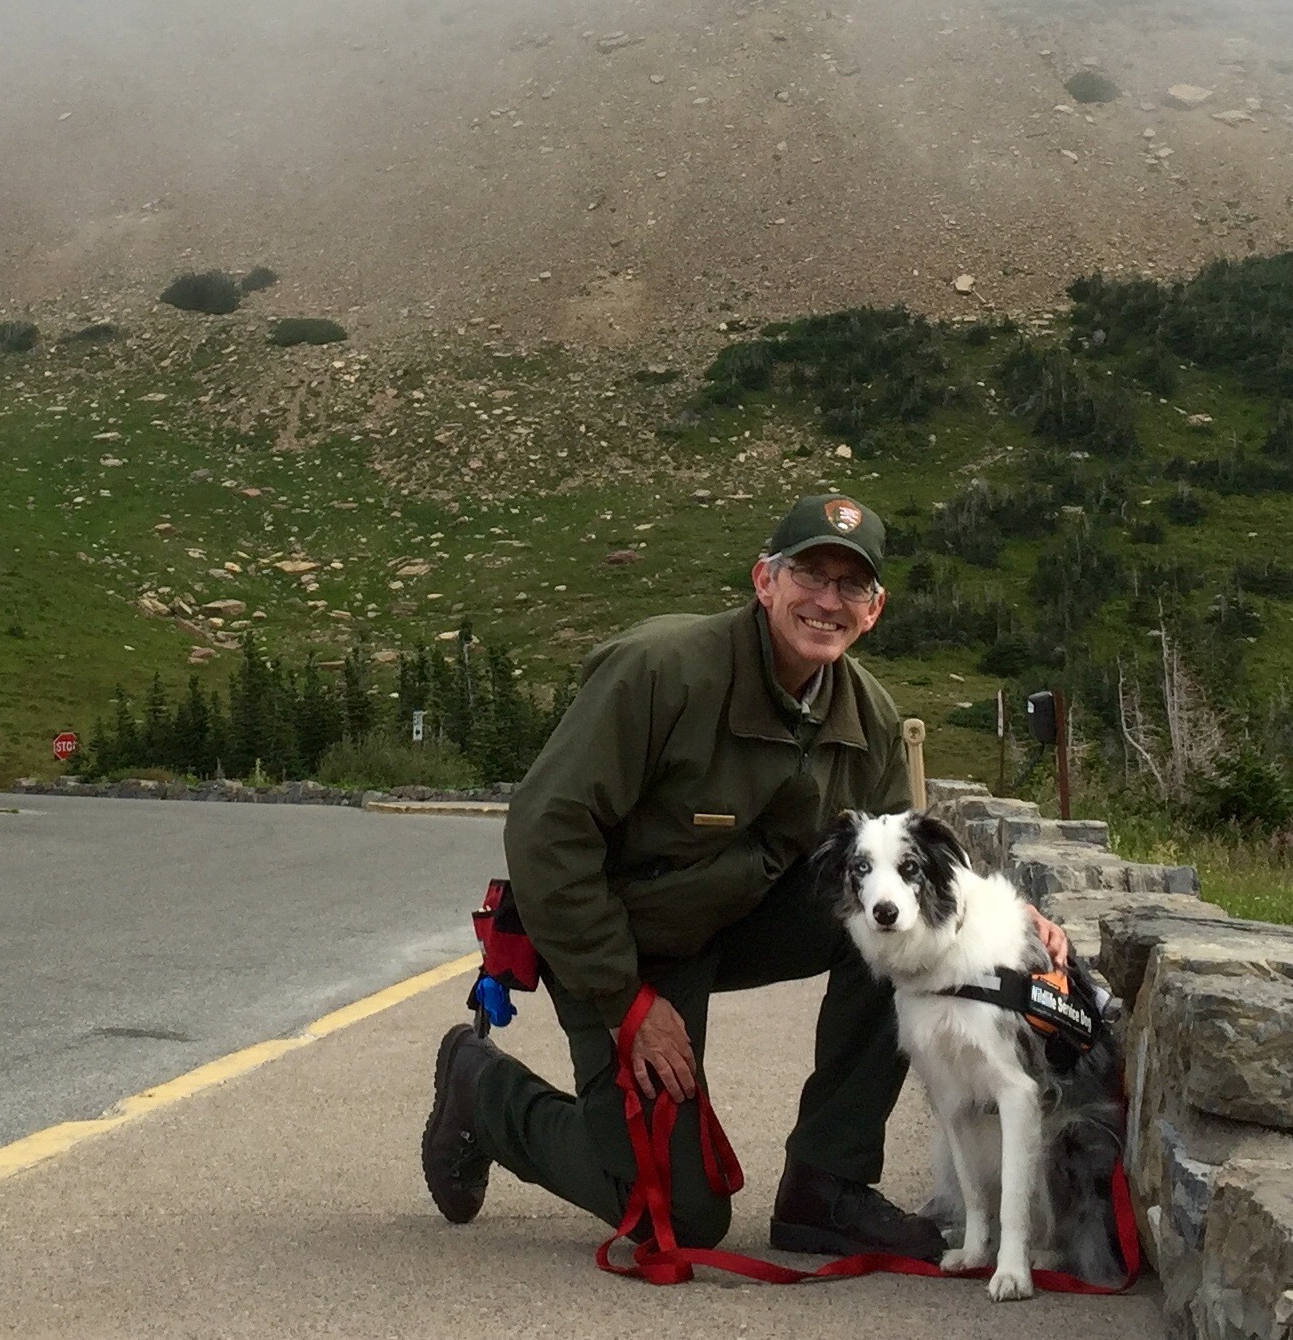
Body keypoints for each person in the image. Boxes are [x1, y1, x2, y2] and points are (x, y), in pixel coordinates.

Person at [421, 493, 1069, 1258]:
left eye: (850, 586)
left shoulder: (871, 718)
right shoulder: (659, 670)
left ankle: (827, 1183)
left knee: (891, 927)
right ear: (764, 579)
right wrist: (624, 998)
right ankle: (483, 1091)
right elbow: (544, 832)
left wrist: (1012, 927)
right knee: (679, 1216)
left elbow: (915, 873)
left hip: (742, 921)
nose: (827, 601)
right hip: (624, 939)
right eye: (809, 574)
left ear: (874, 608)